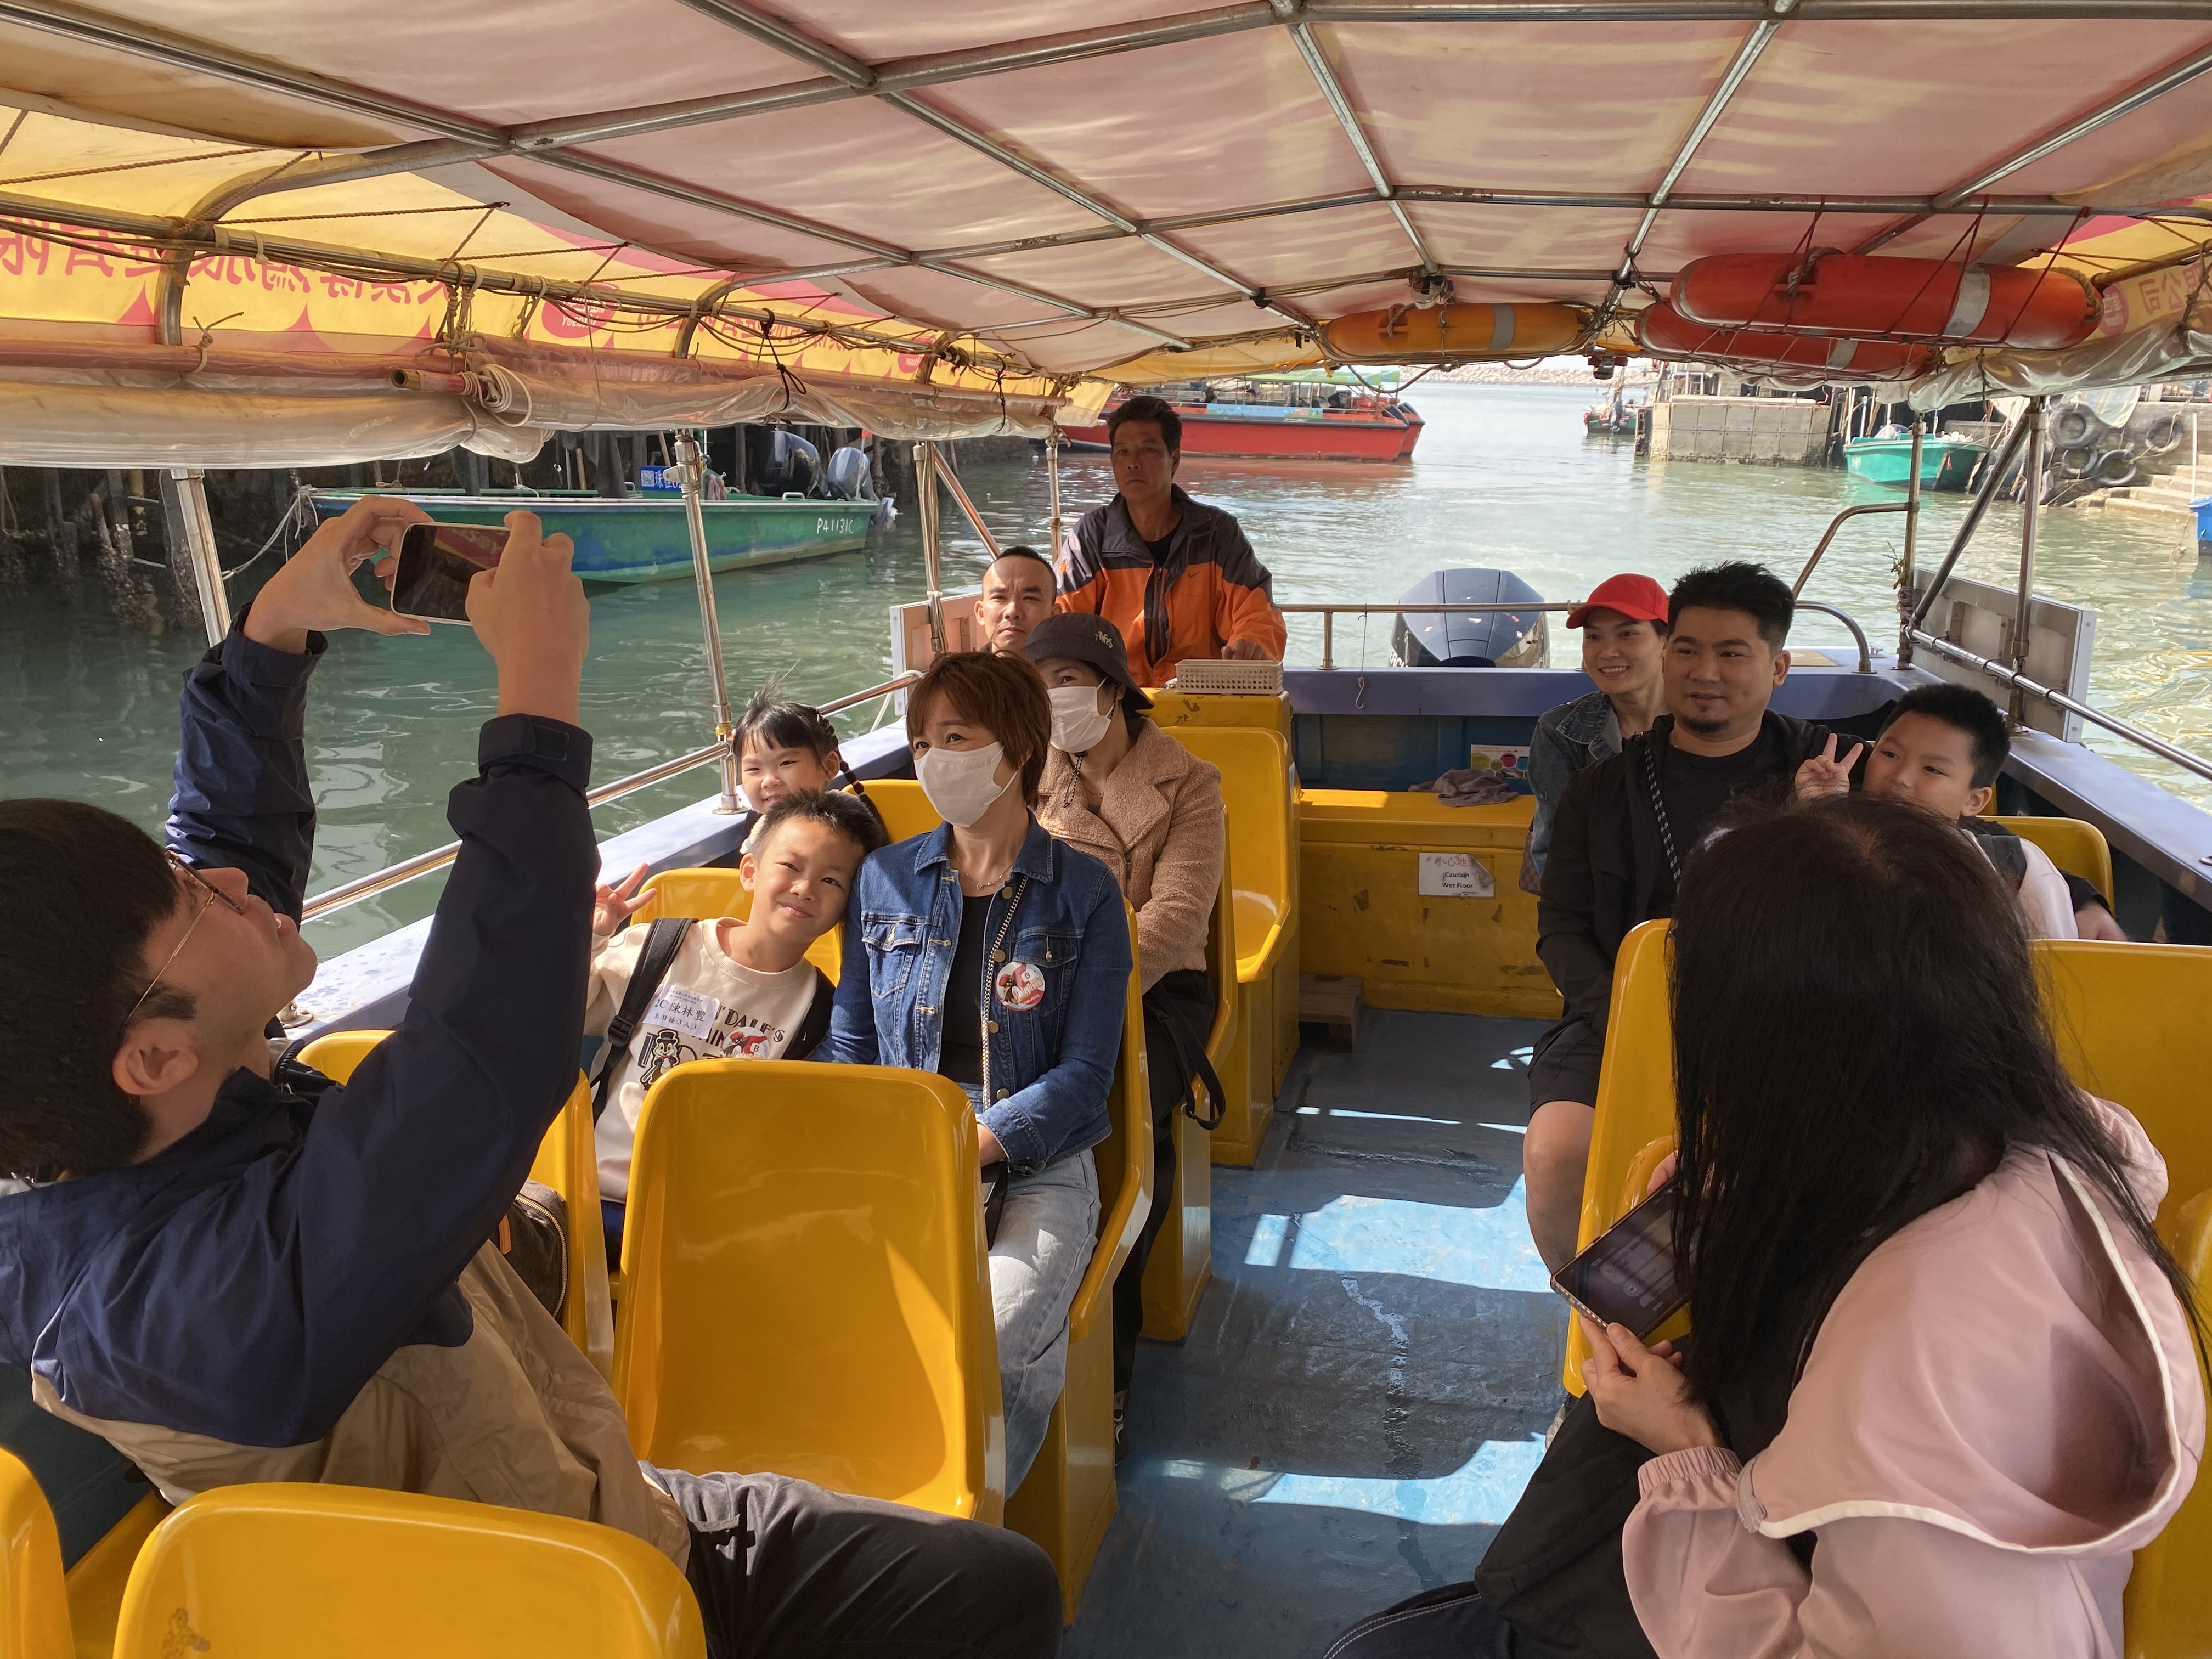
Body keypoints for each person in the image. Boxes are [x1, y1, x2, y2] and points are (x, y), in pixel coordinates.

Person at [0, 498, 1059, 1659]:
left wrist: (269, 641)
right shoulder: (200, 1305)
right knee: (994, 1593)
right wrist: (538, 706)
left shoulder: (145, 1125)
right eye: (195, 899)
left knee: (987, 1580)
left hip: (574, 1484)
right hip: (545, 1598)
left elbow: (226, 855)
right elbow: (481, 1052)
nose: (234, 884)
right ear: (152, 1057)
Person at [1327, 795, 2201, 1658]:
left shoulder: (1905, 1391)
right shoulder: (2047, 1151)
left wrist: (1684, 1449)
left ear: (1769, 1056)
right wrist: (1773, 1185)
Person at [826, 648, 1133, 1493]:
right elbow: (852, 1048)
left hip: (1039, 1157)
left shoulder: (1086, 894)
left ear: (1017, 750)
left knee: (992, 1342)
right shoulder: (885, 879)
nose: (932, 760)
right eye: (922, 742)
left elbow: (1086, 1074)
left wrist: (977, 1142)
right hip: (902, 1146)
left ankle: (963, 1529)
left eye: (954, 738)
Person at [1527, 561, 1859, 1271]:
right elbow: (1561, 928)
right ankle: (1594, 1310)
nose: (1705, 672)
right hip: (1622, 1011)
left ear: (1777, 668)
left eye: (1732, 653)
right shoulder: (1601, 790)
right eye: (1687, 649)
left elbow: (1952, 836)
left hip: (1794, 1018)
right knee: (1555, 1151)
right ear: (1667, 656)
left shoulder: (1828, 769)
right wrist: (1628, 1013)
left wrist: (2079, 894)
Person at [1023, 613, 1224, 1463]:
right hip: (1033, 987)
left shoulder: (1191, 784)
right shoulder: (1027, 773)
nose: (1052, 700)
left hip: (1155, 991)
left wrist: (1075, 994)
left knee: (1121, 1136)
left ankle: (1110, 1369)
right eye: (1038, 685)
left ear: (1111, 689)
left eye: (1066, 680)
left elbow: (1174, 919)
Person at [585, 791, 889, 1261]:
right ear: (749, 871)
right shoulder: (662, 947)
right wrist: (590, 938)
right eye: (791, 866)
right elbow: (558, 1017)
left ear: (848, 907)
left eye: (831, 880)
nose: (805, 888)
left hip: (700, 1224)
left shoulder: (821, 1012)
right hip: (592, 1192)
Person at [1057, 394, 1286, 685]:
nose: (1133, 463)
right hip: (1117, 697)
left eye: (1148, 450)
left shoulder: (1217, 534)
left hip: (1200, 692)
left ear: (1174, 459)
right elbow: (1063, 620)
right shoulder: (1090, 538)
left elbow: (1257, 613)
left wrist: (1251, 645)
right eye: (1123, 452)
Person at [1862, 681, 2091, 940]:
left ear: (1974, 801)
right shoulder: (1832, 845)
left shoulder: (2021, 871)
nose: (1901, 778)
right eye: (1890, 754)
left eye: (1932, 770)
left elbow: (2054, 962)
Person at [1520, 573, 1671, 894]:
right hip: (1601, 909)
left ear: (1666, 642)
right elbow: (1555, 855)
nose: (1607, 651)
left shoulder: (1705, 723)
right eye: (1594, 637)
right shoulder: (1560, 733)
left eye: (1627, 634)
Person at [975, 546, 1056, 655]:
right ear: (981, 613)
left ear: (1054, 615)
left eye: (1030, 598)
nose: (1012, 612)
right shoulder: (961, 667)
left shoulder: (1075, 665)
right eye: (999, 597)